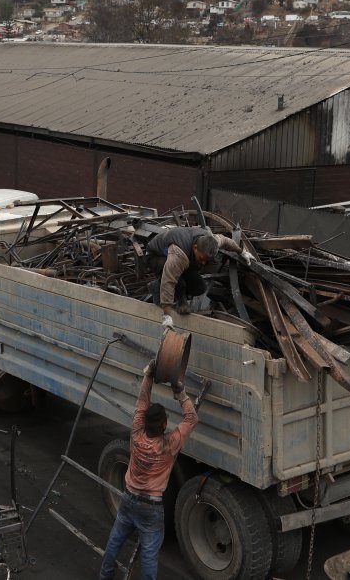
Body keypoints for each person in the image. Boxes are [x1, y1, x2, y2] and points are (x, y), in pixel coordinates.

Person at [99, 361, 198, 580]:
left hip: (128, 498)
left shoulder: (136, 433)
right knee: (150, 554)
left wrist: (149, 375)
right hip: (150, 507)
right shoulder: (169, 444)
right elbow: (191, 418)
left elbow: (142, 400)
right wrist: (180, 394)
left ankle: (105, 576)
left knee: (115, 541)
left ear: (144, 422)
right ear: (163, 425)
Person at [146, 226, 244, 328]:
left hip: (182, 257)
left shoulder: (211, 241)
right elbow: (169, 281)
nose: (203, 262)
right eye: (202, 258)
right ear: (195, 247)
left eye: (206, 260)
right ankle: (160, 288)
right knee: (178, 281)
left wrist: (242, 252)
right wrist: (167, 315)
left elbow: (226, 241)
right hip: (155, 256)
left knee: (199, 288)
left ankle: (168, 289)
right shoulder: (178, 255)